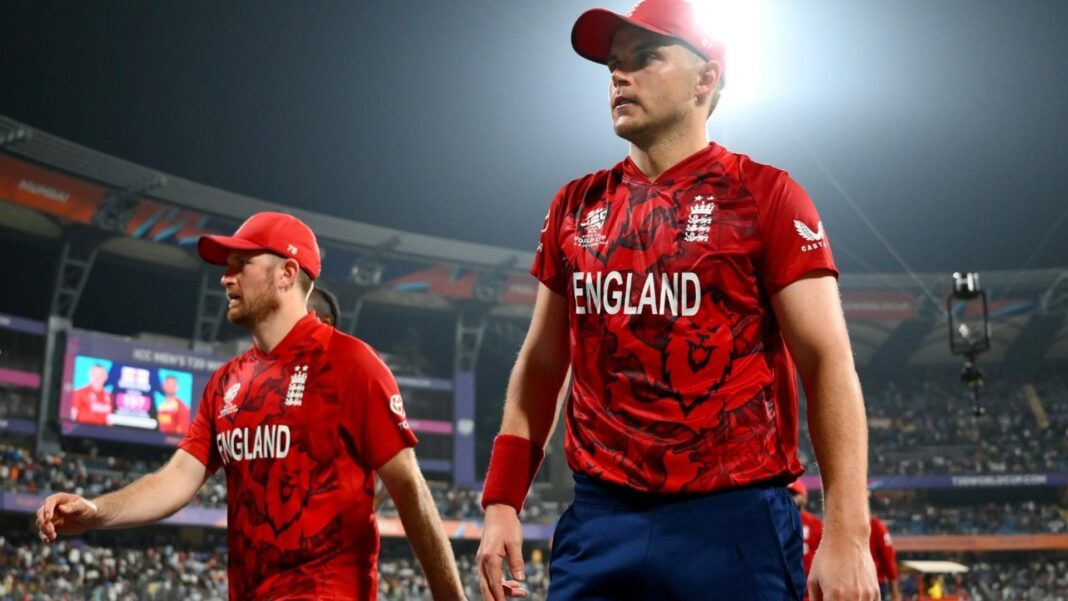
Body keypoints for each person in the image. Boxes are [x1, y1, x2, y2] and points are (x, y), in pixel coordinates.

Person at [475, 1, 879, 599]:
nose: (619, 75)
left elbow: (826, 362)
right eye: (614, 64)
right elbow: (541, 364)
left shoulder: (766, 194)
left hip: (734, 521)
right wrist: (502, 501)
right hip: (600, 517)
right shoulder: (574, 206)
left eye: (644, 58)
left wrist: (848, 531)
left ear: (704, 79)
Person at [37, 211, 466, 600]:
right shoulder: (225, 382)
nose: (226, 278)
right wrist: (97, 511)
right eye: (227, 266)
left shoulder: (351, 363)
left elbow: (408, 486)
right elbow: (175, 480)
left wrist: (451, 597)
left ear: (286, 274)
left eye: (241, 263)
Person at [788, 480, 823, 581]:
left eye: (794, 494)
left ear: (804, 497)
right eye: (788, 494)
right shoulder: (776, 523)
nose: (791, 498)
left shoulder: (816, 524)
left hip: (809, 581)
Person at [870, 512, 901, 601]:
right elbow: (889, 559)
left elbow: (888, 560)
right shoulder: (875, 525)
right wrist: (895, 593)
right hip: (874, 583)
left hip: (874, 584)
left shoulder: (875, 526)